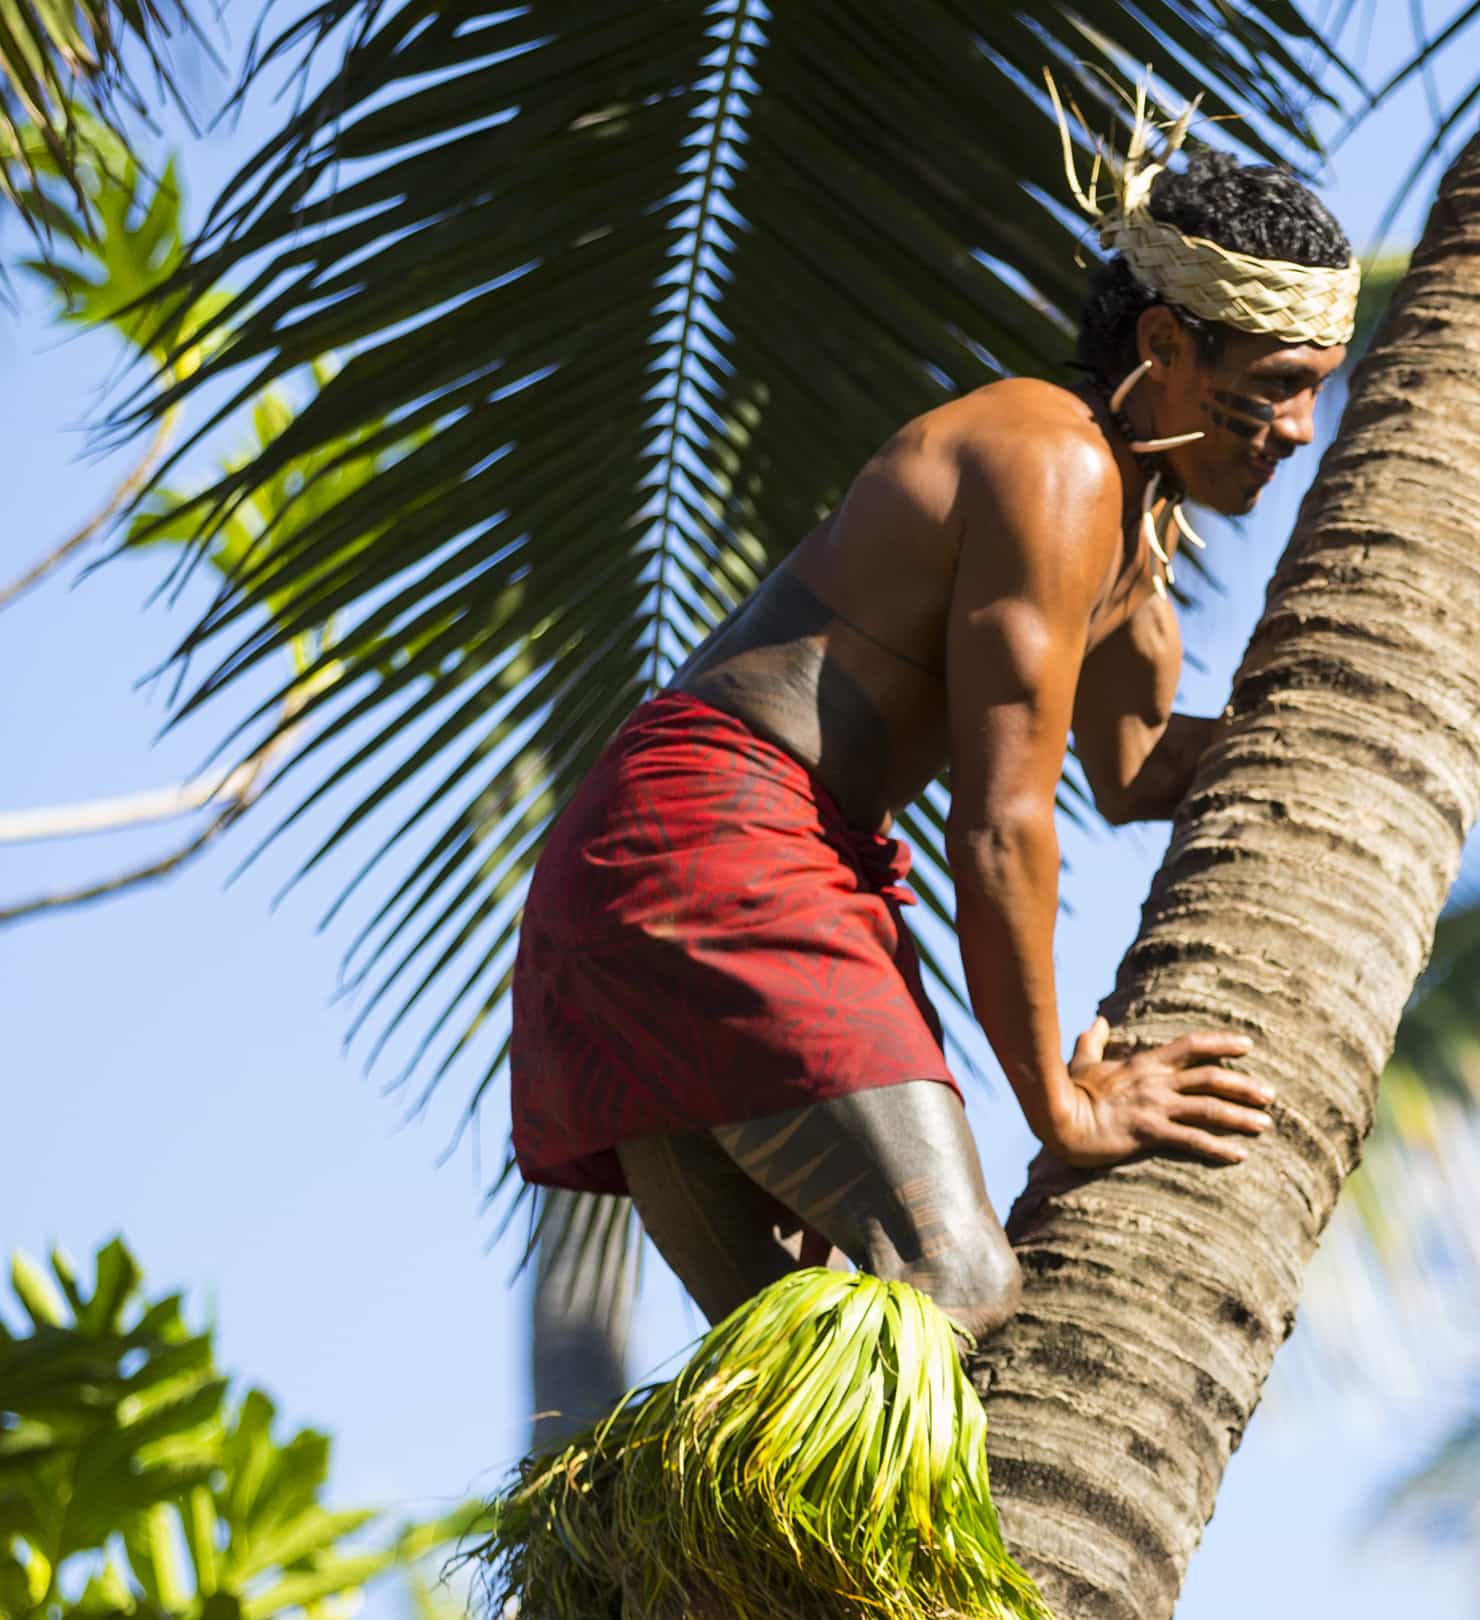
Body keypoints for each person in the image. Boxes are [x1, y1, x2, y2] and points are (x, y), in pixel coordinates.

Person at [506, 105, 1364, 1342]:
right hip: (717, 852)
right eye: (1274, 391)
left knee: (834, 1382)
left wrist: (1368, 689)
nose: (1295, 432)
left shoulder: (1129, 533)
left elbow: (1130, 776)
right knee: (950, 1284)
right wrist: (1064, 1113)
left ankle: (645, 1542)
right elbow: (1004, 825)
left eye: (1313, 397)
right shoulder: (1053, 463)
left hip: (678, 870)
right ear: (1166, 342)